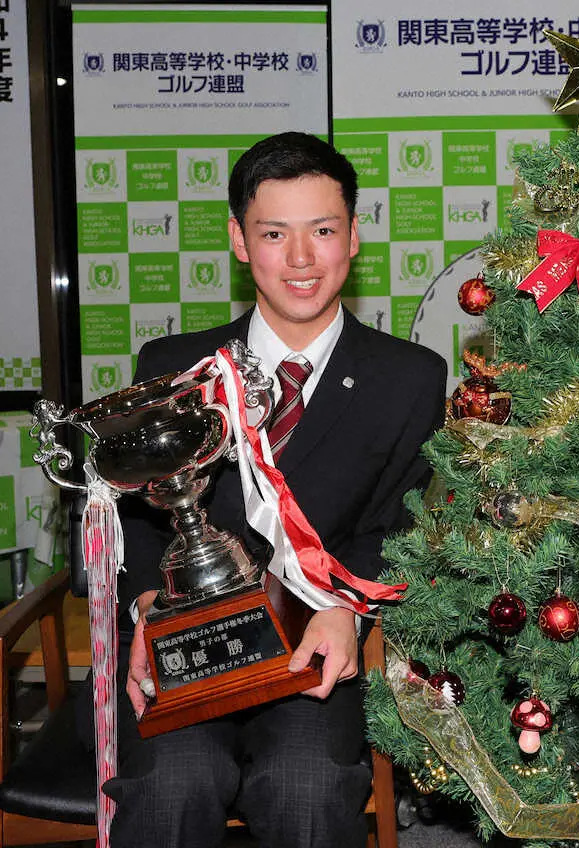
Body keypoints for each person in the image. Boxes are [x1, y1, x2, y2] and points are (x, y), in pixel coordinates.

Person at [94, 132, 447, 848]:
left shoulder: (409, 377)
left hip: (310, 652)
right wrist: (149, 610)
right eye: (274, 233)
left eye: (322, 230)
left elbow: (403, 523)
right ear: (238, 240)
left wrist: (350, 609)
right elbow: (132, 517)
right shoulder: (175, 367)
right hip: (190, 650)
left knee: (307, 786)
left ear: (353, 237)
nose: (300, 258)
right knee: (172, 785)